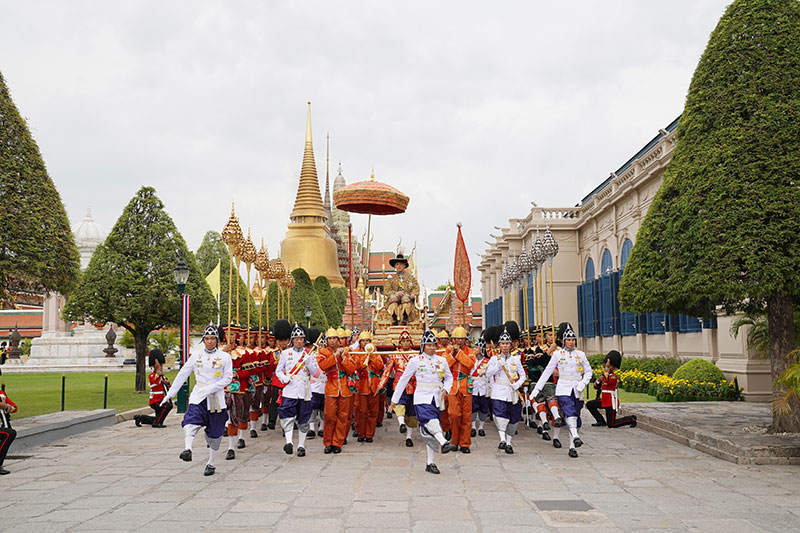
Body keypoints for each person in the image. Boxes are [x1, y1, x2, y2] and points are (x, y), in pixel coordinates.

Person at [162, 325, 232, 476]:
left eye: (212, 338)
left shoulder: (225, 357)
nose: (209, 341)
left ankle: (211, 463)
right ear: (203, 340)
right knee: (190, 420)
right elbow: (183, 374)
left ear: (217, 340)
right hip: (199, 396)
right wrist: (170, 394)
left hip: (216, 399)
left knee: (216, 432)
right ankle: (188, 448)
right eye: (207, 338)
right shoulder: (196, 356)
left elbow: (228, 378)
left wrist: (212, 388)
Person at [390, 330, 457, 474]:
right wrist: (394, 400)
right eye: (428, 345)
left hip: (436, 398)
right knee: (432, 421)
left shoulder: (442, 360)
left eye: (433, 345)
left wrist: (446, 389)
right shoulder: (415, 361)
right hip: (421, 397)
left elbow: (449, 377)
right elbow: (403, 380)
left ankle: (430, 462)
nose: (432, 348)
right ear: (423, 346)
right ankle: (443, 442)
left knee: (429, 431)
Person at [530, 324, 592, 458]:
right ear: (564, 341)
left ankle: (572, 446)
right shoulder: (558, 354)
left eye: (573, 340)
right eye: (568, 340)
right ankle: (575, 436)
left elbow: (589, 372)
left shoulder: (580, 354)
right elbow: (547, 372)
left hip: (577, 388)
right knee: (569, 412)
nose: (571, 342)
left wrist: (583, 383)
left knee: (576, 416)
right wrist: (537, 389)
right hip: (563, 388)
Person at [275, 323, 322, 457]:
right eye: (296, 339)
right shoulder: (285, 353)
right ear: (292, 340)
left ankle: (301, 445)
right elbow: (278, 371)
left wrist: (308, 363)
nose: (299, 341)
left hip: (304, 389)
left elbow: (315, 373)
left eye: (301, 339)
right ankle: (289, 442)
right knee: (287, 416)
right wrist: (283, 378)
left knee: (303, 418)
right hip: (290, 388)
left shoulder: (309, 354)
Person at [486, 326, 526, 454]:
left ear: (511, 345)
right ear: (499, 345)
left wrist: (517, 384)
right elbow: (488, 374)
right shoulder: (494, 359)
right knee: (499, 413)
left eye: (507, 343)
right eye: (502, 343)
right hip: (499, 390)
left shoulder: (516, 359)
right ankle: (502, 439)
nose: (505, 346)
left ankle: (508, 442)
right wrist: (497, 367)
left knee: (514, 417)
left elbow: (523, 375)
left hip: (512, 391)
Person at [317, 327, 356, 454]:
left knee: (343, 417)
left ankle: (337, 442)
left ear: (339, 340)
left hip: (344, 387)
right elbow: (323, 365)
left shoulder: (346, 352)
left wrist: (344, 358)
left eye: (335, 338)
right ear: (327, 340)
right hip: (331, 387)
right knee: (329, 416)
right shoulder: (322, 352)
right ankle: (328, 442)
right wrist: (336, 355)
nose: (333, 341)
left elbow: (352, 368)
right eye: (330, 338)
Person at [378, 329, 417, 447]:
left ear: (410, 342)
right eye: (403, 341)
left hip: (412, 386)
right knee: (399, 404)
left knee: (411, 412)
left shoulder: (416, 355)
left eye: (407, 341)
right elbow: (387, 371)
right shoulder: (395, 355)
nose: (405, 343)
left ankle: (409, 437)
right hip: (399, 385)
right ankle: (401, 424)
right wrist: (381, 385)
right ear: (400, 343)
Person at [586, 350, 638, 428]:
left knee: (611, 424)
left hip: (611, 402)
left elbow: (608, 380)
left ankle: (630, 419)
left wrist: (606, 370)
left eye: (609, 366)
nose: (606, 367)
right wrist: (598, 381)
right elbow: (595, 387)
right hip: (604, 400)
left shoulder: (613, 376)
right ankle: (600, 421)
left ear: (613, 367)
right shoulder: (605, 376)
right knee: (589, 404)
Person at [445, 326, 476, 453]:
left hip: (465, 385)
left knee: (466, 416)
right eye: (457, 338)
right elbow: (444, 364)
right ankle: (454, 441)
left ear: (465, 340)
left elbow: (470, 364)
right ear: (453, 339)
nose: (459, 341)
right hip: (452, 385)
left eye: (462, 338)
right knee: (454, 415)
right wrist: (452, 354)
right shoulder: (447, 350)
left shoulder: (470, 351)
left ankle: (465, 444)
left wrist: (458, 353)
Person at [134, 348, 172, 428]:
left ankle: (140, 418)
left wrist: (167, 383)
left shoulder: (161, 375)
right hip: (155, 400)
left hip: (160, 398)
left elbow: (167, 385)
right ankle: (156, 423)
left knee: (158, 418)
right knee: (167, 406)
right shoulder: (152, 375)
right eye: (160, 365)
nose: (161, 367)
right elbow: (155, 381)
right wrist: (158, 370)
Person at [267, 320, 292, 430]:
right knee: (274, 401)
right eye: (281, 340)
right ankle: (272, 420)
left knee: (288, 403)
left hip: (289, 381)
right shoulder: (275, 353)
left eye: (285, 340)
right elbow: (271, 368)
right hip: (278, 381)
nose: (283, 343)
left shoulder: (292, 352)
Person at [383, 252, 420, 326]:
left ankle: (404, 318)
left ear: (404, 266)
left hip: (406, 296)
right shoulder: (391, 279)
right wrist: (395, 293)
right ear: (395, 266)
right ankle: (394, 318)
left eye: (400, 264)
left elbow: (416, 288)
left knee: (406, 298)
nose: (399, 266)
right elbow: (386, 290)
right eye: (397, 264)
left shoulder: (410, 278)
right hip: (395, 296)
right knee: (393, 298)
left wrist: (413, 294)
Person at [470, 334, 491, 438]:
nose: (474, 349)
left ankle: (481, 427)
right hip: (473, 386)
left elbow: (491, 375)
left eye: (476, 347)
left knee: (484, 408)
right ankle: (473, 427)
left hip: (483, 387)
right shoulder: (471, 360)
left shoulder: (488, 361)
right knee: (473, 408)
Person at [0, 387, 18, 475]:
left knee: (9, 433)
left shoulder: (1, 394)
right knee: (8, 434)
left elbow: (14, 408)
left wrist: (6, 407)